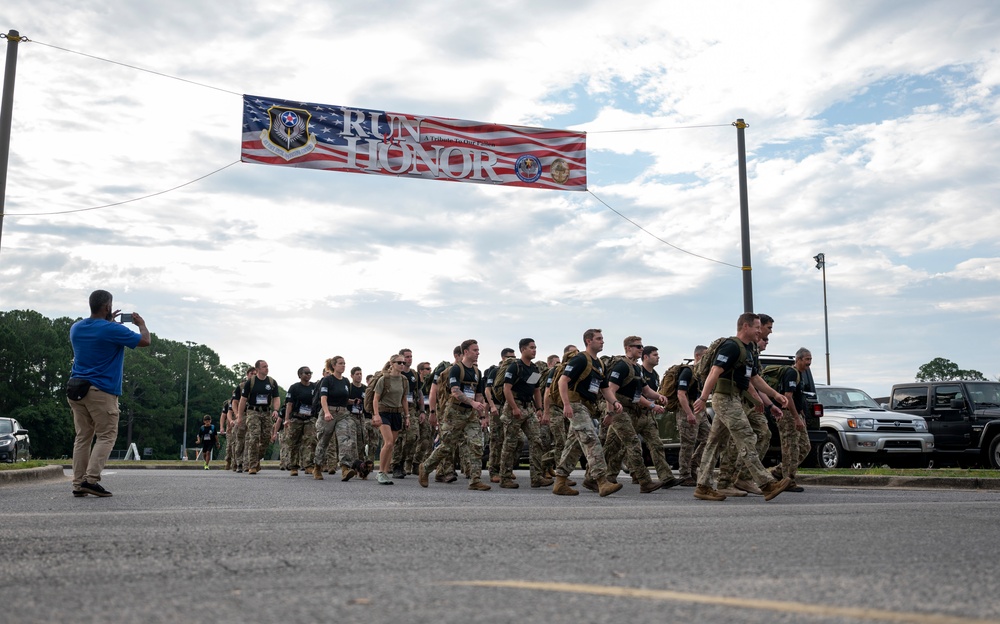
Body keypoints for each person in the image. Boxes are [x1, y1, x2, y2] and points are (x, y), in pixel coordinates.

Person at [692, 313, 791, 502]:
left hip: (734, 398)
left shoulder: (749, 349)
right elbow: (715, 371)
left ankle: (703, 486)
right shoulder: (731, 346)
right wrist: (703, 398)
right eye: (756, 327)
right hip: (724, 399)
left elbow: (754, 378)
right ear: (745, 327)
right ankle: (766, 484)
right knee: (747, 436)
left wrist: (774, 395)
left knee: (715, 442)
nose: (759, 331)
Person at [67, 290, 151, 497]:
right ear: (107, 307)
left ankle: (78, 484)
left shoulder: (76, 327)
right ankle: (91, 480)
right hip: (101, 391)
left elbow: (97, 334)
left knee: (83, 437)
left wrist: (110, 323)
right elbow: (145, 341)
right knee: (106, 435)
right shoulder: (111, 329)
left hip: (76, 389)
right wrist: (141, 324)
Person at [552, 329, 622, 497]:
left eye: (602, 338)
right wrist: (567, 404)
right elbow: (563, 380)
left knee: (573, 446)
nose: (602, 341)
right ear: (589, 341)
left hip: (585, 408)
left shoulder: (599, 364)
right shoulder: (580, 359)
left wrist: (614, 402)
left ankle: (560, 482)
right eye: (599, 339)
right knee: (591, 439)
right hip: (575, 405)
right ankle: (601, 481)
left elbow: (605, 389)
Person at [418, 339, 491, 491]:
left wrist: (481, 413)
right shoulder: (456, 369)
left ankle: (475, 480)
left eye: (478, 350)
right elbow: (455, 392)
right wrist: (473, 404)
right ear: (465, 352)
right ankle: (425, 467)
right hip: (455, 412)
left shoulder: (477, 372)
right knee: (447, 446)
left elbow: (478, 394)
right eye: (475, 350)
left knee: (477, 445)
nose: (478, 353)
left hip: (470, 414)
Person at [603, 336, 667, 493]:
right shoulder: (621, 366)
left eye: (642, 346)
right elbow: (609, 390)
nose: (641, 349)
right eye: (637, 346)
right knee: (633, 444)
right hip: (620, 410)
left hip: (630, 411)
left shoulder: (637, 368)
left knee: (612, 447)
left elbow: (645, 390)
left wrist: (658, 396)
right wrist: (610, 412)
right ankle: (645, 481)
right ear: (627, 348)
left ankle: (597, 478)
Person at [498, 338, 550, 488]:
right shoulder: (515, 367)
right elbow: (506, 389)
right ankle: (505, 477)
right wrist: (514, 408)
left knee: (537, 441)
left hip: (529, 408)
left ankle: (536, 477)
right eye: (531, 348)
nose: (534, 350)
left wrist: (539, 409)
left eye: (535, 347)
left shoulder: (534, 369)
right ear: (522, 349)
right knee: (510, 443)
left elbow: (536, 390)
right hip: (514, 406)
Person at [633, 345, 679, 486]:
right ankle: (601, 476)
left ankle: (666, 477)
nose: (658, 357)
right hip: (633, 415)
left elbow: (651, 393)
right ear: (645, 357)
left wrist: (659, 398)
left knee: (656, 445)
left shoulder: (655, 376)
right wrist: (652, 405)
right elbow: (636, 395)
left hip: (648, 416)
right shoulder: (637, 371)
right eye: (654, 355)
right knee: (621, 447)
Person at [313, 356, 361, 481]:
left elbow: (344, 399)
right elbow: (323, 398)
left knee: (345, 440)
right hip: (328, 412)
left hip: (343, 414)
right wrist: (327, 413)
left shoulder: (345, 381)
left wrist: (352, 402)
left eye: (344, 363)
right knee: (324, 441)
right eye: (340, 363)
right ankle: (317, 467)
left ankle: (345, 469)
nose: (343, 366)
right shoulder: (327, 380)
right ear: (333, 366)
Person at [773, 348, 813, 491]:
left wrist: (802, 414)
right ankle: (788, 480)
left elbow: (797, 396)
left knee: (805, 446)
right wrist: (796, 418)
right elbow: (787, 397)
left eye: (810, 359)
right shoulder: (791, 373)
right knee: (791, 448)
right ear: (798, 359)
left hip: (797, 414)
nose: (809, 362)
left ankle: (778, 472)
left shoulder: (800, 374)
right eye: (806, 359)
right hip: (788, 415)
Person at [236, 360, 281, 475]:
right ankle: (252, 465)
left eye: (267, 366)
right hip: (253, 412)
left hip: (266, 412)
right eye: (264, 366)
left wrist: (276, 410)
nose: (267, 368)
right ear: (258, 369)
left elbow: (276, 398)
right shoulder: (250, 382)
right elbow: (243, 400)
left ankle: (256, 460)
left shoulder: (271, 382)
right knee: (254, 437)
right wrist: (240, 416)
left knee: (266, 439)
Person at [675, 345, 710, 486]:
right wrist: (689, 413)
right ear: (697, 356)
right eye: (706, 356)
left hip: (699, 411)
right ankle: (685, 474)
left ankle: (693, 465)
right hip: (686, 411)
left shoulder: (702, 374)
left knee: (709, 438)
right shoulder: (687, 371)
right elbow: (680, 394)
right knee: (688, 444)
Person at [373, 355, 410, 485]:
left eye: (403, 363)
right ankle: (381, 473)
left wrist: (407, 416)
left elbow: (404, 399)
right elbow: (375, 399)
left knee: (391, 445)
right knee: (388, 442)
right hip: (384, 413)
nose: (402, 365)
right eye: (399, 362)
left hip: (396, 413)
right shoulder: (384, 379)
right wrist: (376, 415)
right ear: (392, 364)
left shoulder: (404, 380)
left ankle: (385, 471)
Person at [390, 348, 424, 479]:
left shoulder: (414, 375)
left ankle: (403, 460)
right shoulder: (394, 374)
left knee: (413, 437)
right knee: (397, 439)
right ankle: (396, 466)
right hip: (396, 408)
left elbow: (419, 393)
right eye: (407, 357)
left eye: (411, 356)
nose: (409, 359)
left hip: (411, 409)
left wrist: (422, 411)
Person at [484, 347, 515, 483]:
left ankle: (506, 468)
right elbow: (487, 390)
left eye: (514, 357)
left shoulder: (515, 370)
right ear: (503, 358)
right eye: (509, 357)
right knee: (496, 440)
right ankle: (494, 471)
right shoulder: (495, 371)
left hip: (509, 407)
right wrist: (491, 405)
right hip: (497, 406)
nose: (512, 359)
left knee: (515, 439)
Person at [283, 366, 316, 477]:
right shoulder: (294, 387)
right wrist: (287, 419)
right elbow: (289, 404)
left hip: (310, 419)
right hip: (296, 418)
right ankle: (293, 466)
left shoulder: (314, 387)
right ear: (300, 375)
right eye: (306, 373)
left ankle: (308, 465)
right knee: (293, 442)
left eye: (310, 373)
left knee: (310, 441)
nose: (308, 375)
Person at [349, 366, 376, 479]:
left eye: (360, 374)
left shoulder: (365, 389)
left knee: (362, 441)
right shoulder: (349, 388)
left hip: (362, 417)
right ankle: (352, 465)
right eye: (357, 374)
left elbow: (370, 403)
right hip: (349, 416)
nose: (359, 376)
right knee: (352, 441)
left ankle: (361, 466)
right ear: (352, 376)